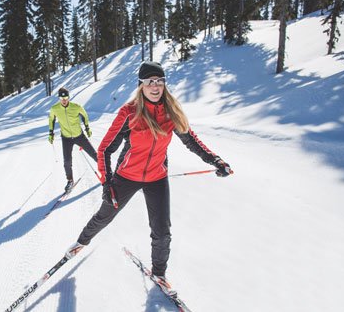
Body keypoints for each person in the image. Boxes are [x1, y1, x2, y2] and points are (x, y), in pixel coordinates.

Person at [65, 61, 233, 289]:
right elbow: (105, 149)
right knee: (105, 216)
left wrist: (215, 160)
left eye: (160, 81)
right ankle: (79, 243)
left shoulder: (171, 112)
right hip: (126, 176)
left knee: (162, 232)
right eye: (150, 82)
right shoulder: (129, 112)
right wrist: (107, 183)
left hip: (156, 177)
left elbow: (191, 141)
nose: (155, 86)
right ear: (141, 86)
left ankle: (159, 274)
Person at [49, 87, 98, 191]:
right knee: (67, 161)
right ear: (59, 98)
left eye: (66, 97)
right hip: (66, 138)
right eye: (62, 98)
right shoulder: (55, 108)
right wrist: (51, 133)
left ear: (69, 97)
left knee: (94, 154)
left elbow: (84, 115)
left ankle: (106, 173)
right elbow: (51, 119)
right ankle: (70, 181)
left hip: (79, 136)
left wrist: (87, 128)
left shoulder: (76, 107)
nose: (64, 100)